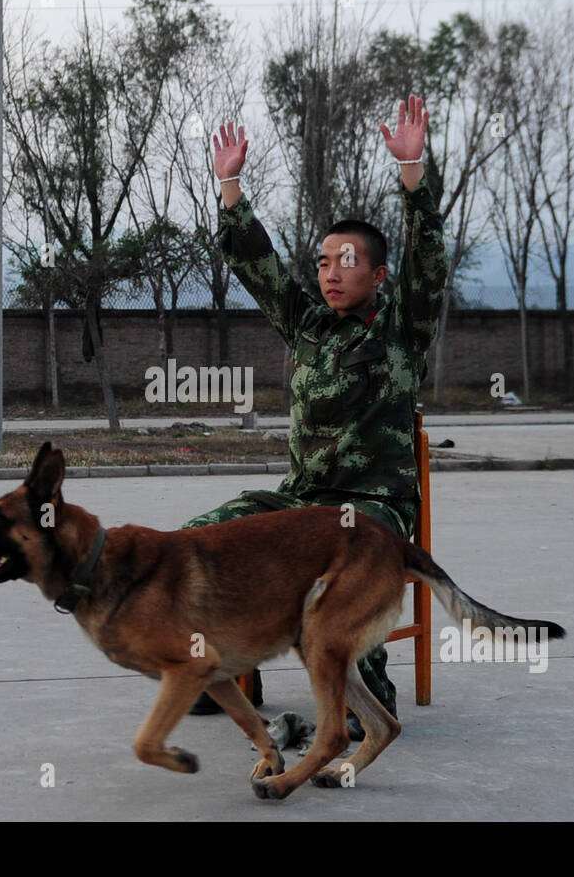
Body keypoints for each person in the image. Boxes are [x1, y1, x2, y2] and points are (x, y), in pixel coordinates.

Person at [184, 95, 450, 739]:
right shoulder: (306, 324)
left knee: (344, 581)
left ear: (380, 275)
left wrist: (413, 173)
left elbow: (429, 255)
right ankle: (228, 669)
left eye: (349, 262)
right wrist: (229, 184)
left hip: (373, 510)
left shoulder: (400, 328)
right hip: (302, 502)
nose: (332, 273)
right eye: (325, 261)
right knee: (197, 544)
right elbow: (260, 267)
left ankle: (365, 686)